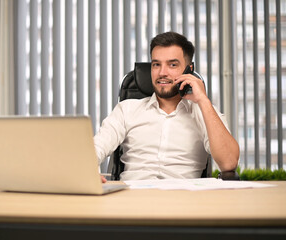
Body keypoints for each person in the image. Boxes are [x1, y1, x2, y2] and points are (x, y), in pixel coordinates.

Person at [94, 32, 239, 182]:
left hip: (184, 199)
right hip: (133, 198)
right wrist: (87, 172)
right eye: (156, 64)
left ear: (189, 70)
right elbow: (96, 148)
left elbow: (229, 163)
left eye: (172, 65)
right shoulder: (126, 110)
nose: (162, 73)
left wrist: (203, 100)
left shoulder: (205, 112)